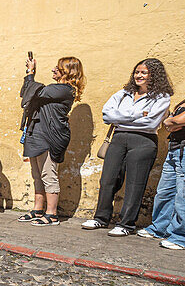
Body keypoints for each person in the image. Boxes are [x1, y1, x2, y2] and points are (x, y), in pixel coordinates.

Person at [83, 59, 173, 235]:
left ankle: (126, 224)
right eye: (137, 72)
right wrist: (138, 114)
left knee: (135, 183)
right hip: (118, 138)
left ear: (154, 75)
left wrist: (121, 117)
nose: (138, 76)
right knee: (108, 179)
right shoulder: (123, 93)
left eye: (144, 73)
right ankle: (101, 218)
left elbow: (150, 123)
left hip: (144, 141)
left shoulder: (162, 97)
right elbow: (107, 116)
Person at [138, 61, 185, 249]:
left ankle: (184, 237)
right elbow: (171, 122)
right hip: (176, 149)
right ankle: (160, 228)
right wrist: (173, 122)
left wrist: (173, 122)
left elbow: (178, 120)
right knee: (166, 192)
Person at [19, 54, 85, 225]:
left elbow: (37, 91)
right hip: (36, 133)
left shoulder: (65, 89)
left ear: (68, 72)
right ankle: (38, 209)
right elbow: (27, 91)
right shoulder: (55, 89)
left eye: (58, 67)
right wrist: (29, 73)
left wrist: (32, 72)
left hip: (50, 135)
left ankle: (52, 214)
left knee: (48, 174)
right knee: (37, 175)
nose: (54, 69)